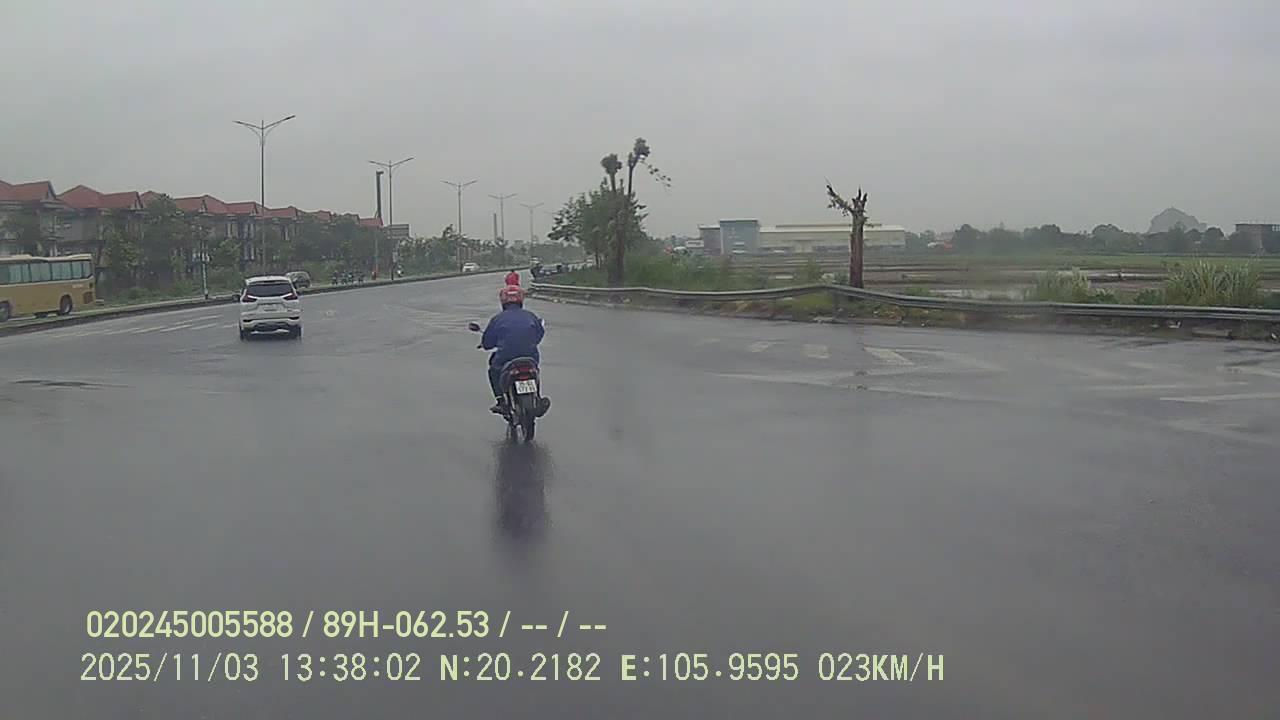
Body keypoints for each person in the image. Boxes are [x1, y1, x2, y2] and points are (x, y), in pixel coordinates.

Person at [481, 285, 550, 416]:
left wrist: (488, 344)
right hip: (530, 356)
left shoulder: (497, 319)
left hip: (505, 357)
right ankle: (537, 397)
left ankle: (501, 401)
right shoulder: (531, 316)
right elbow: (539, 335)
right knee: (534, 371)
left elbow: (487, 343)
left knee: (493, 371)